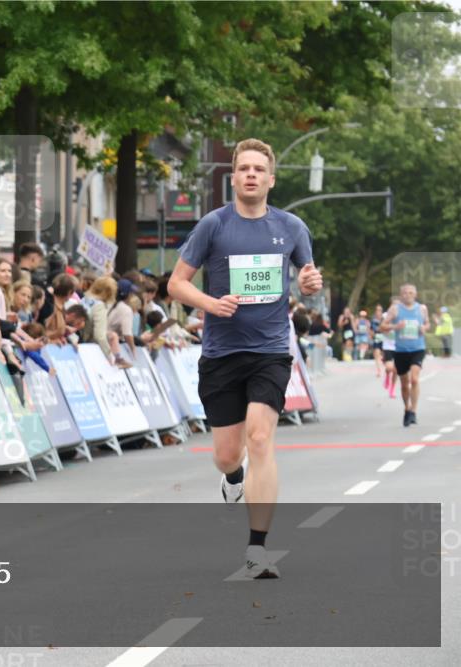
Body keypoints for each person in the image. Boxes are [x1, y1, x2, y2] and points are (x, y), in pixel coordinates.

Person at [167, 138, 322, 580]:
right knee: (226, 454)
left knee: (260, 441)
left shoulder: (292, 227)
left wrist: (310, 284)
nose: (251, 175)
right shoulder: (213, 226)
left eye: (259, 169)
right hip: (221, 353)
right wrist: (210, 304)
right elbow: (177, 285)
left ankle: (257, 549)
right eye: (244, 169)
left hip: (271, 350)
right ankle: (232, 478)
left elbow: (308, 279)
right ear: (233, 178)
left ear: (271, 179)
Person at [381, 284, 429, 426]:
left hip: (418, 348)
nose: (408, 295)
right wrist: (396, 327)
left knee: (414, 379)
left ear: (415, 294)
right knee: (404, 384)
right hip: (401, 351)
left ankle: (413, 411)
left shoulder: (421, 309)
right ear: (401, 295)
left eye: (411, 292)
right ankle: (406, 409)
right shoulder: (395, 309)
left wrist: (424, 328)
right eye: (405, 293)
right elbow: (382, 326)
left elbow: (427, 324)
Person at [371, 305, 385, 377]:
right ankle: (379, 370)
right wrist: (371, 335)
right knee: (377, 354)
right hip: (377, 339)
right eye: (377, 310)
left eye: (380, 310)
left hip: (384, 339)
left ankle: (384, 363)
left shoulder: (384, 318)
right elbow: (372, 329)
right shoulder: (373, 320)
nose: (378, 312)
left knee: (383, 356)